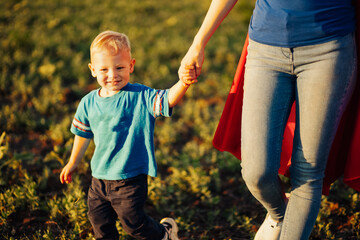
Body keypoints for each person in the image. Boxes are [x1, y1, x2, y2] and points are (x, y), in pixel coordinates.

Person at [180, 0, 357, 239]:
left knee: (307, 171)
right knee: (256, 172)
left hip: (329, 50)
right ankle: (280, 215)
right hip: (265, 50)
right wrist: (198, 42)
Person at [60, 30, 196, 240]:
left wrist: (184, 83)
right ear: (92, 70)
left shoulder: (140, 96)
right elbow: (82, 133)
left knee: (133, 224)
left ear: (131, 66)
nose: (113, 75)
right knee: (100, 225)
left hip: (130, 179)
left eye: (120, 67)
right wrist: (73, 162)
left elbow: (167, 99)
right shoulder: (88, 102)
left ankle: (164, 235)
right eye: (104, 69)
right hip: (99, 178)